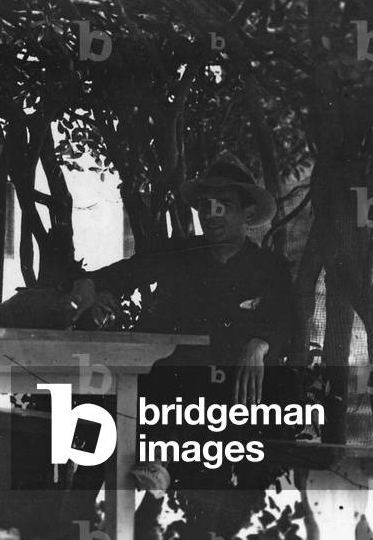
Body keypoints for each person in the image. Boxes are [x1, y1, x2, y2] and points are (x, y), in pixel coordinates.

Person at [69, 155, 299, 539]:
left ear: (246, 212)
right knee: (96, 426)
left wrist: (260, 344)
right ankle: (75, 524)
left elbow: (286, 322)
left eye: (223, 204)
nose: (212, 213)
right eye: (206, 205)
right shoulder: (182, 254)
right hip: (158, 383)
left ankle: (162, 471)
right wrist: (92, 285)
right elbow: (128, 272)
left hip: (221, 398)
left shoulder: (268, 268)